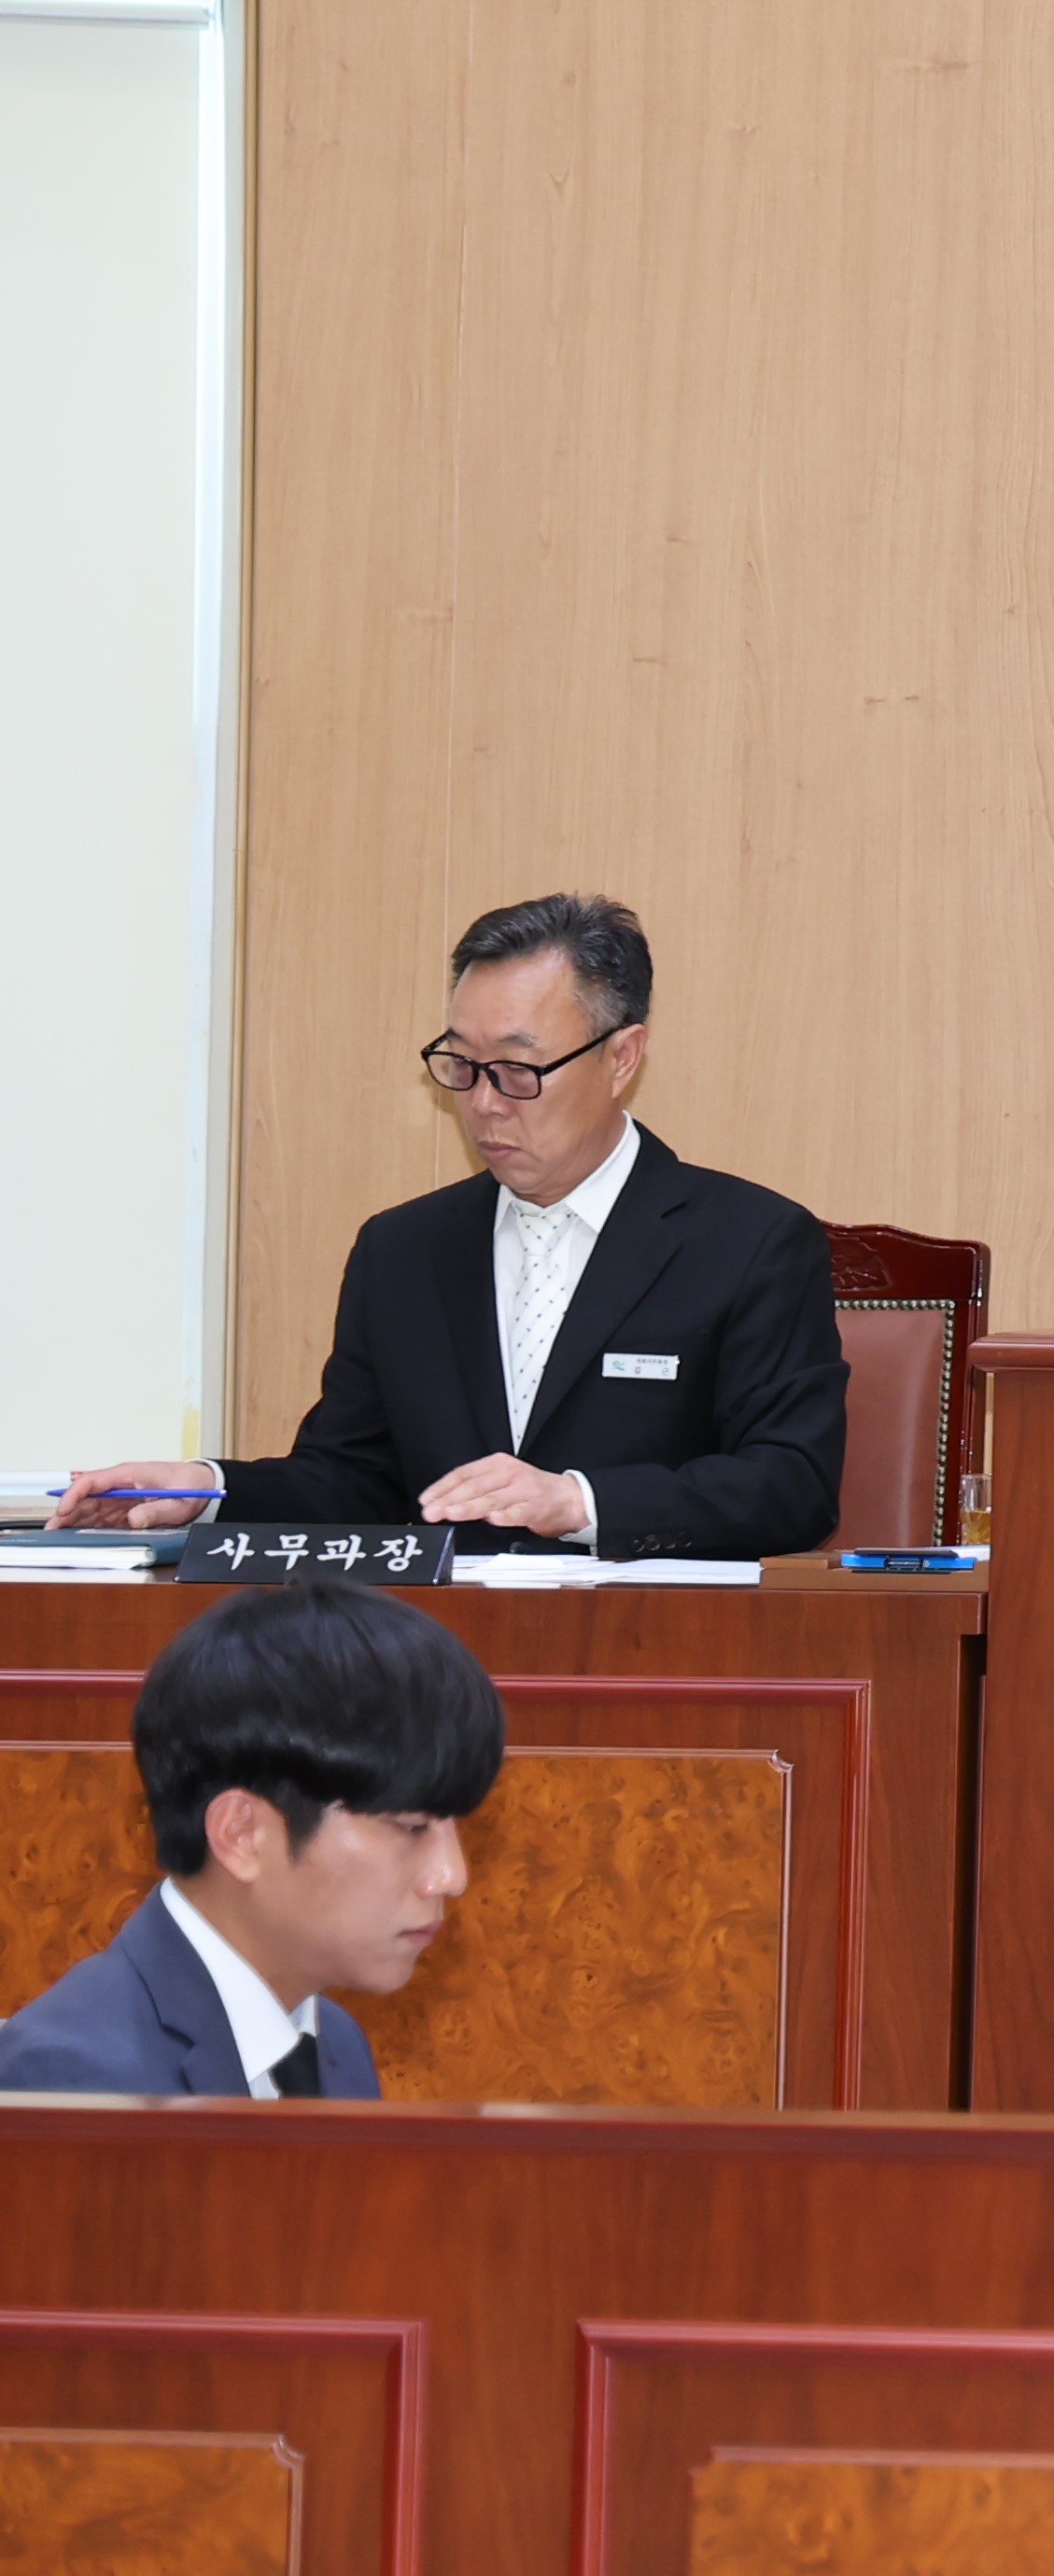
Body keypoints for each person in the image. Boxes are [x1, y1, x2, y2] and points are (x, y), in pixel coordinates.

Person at [61, 894, 850, 1558]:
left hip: (653, 1653)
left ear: (621, 1056)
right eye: (462, 1065)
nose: (484, 1102)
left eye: (518, 1068)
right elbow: (354, 1480)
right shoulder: (402, 1249)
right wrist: (208, 1490)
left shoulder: (749, 1241)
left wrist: (578, 1501)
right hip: (435, 1662)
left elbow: (791, 1484)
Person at [0, 1582, 501, 2098]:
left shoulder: (334, 2041)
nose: (452, 1876)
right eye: (413, 1827)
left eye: (454, 1825)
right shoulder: (77, 2080)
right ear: (241, 1835)